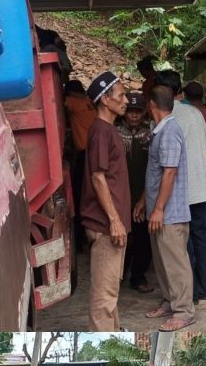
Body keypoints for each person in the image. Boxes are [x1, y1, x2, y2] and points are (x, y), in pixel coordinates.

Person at [133, 85, 195, 331]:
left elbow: (170, 172)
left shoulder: (169, 132)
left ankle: (184, 311)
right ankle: (171, 301)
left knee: (176, 263)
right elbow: (157, 173)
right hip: (160, 211)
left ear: (151, 105)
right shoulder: (160, 131)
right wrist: (143, 201)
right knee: (163, 262)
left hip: (170, 213)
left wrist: (158, 209)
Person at [155, 69, 206, 303]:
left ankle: (188, 292)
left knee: (182, 243)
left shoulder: (166, 116)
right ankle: (203, 288)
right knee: (199, 238)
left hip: (179, 191)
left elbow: (166, 163)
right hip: (200, 188)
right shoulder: (196, 113)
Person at [83, 71, 131, 331]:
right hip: (105, 225)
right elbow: (98, 177)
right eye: (121, 95)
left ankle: (112, 333)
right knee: (104, 297)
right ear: (105, 99)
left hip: (111, 224)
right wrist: (114, 220)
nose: (126, 100)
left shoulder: (108, 130)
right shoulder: (101, 132)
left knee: (110, 292)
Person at [116, 92, 153, 293]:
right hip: (120, 193)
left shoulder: (151, 133)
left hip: (143, 193)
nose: (134, 116)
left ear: (144, 112)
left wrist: (145, 197)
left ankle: (137, 276)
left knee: (142, 238)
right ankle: (118, 274)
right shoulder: (114, 131)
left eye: (138, 112)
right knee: (121, 238)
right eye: (131, 111)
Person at [183, 81, 206, 259]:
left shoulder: (189, 115)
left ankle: (197, 254)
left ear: (184, 96)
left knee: (195, 219)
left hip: (196, 168)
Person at [64, 80, 98, 249]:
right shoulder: (89, 102)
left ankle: (80, 238)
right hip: (93, 152)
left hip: (85, 155)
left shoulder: (74, 103)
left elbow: (56, 102)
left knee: (79, 194)